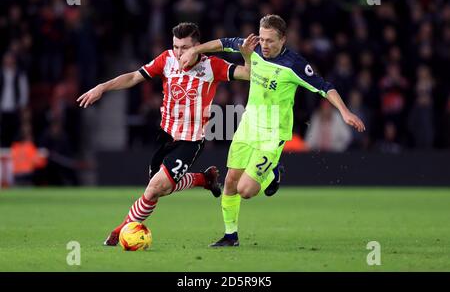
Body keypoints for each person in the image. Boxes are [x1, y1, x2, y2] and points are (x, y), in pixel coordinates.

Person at [181, 14, 365, 247]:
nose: (264, 45)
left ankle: (273, 174)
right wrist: (195, 51)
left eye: (270, 41)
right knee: (230, 183)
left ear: (283, 40)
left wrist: (345, 112)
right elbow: (223, 42)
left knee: (245, 190)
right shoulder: (254, 47)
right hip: (248, 127)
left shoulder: (294, 65)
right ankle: (230, 236)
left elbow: (325, 87)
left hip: (272, 135)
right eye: (262, 38)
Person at [77, 23, 251, 246]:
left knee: (154, 188)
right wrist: (102, 86)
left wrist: (246, 55)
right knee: (162, 189)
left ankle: (121, 230)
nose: (179, 52)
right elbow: (133, 77)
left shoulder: (212, 66)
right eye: (176, 46)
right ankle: (204, 179)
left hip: (190, 140)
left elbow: (247, 73)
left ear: (197, 47)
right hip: (166, 136)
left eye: (185, 47)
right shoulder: (166, 59)